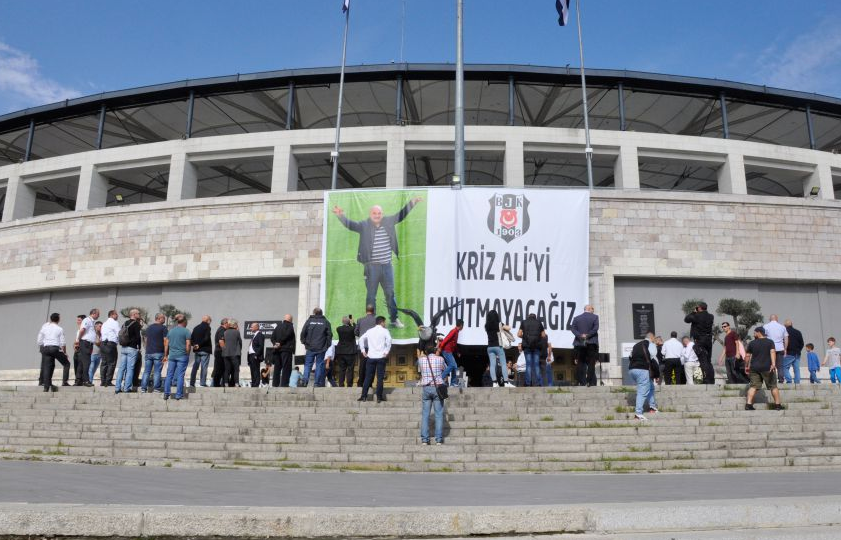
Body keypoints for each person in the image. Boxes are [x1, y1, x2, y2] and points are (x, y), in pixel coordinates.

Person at [331, 197, 423, 329]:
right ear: (370, 214)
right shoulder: (364, 225)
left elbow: (401, 215)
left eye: (379, 213)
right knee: (371, 295)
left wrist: (412, 203)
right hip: (371, 267)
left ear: (382, 214)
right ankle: (370, 320)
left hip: (387, 266)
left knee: (390, 294)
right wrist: (341, 215)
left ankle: (394, 318)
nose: (377, 215)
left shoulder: (388, 222)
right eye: (374, 213)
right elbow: (351, 225)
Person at [745, 327, 783, 410]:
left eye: (755, 332)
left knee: (753, 386)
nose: (754, 334)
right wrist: (773, 364)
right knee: (773, 386)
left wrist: (746, 366)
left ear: (759, 332)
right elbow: (772, 352)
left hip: (754, 368)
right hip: (767, 367)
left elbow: (747, 355)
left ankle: (748, 404)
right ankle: (778, 405)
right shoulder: (770, 342)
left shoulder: (752, 343)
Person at [358, 316, 392, 403]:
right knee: (380, 378)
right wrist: (386, 351)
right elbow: (389, 340)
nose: (385, 324)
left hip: (371, 356)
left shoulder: (370, 331)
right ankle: (379, 397)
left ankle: (364, 396)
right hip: (381, 356)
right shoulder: (385, 331)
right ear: (382, 322)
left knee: (368, 377)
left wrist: (363, 350)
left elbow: (361, 339)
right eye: (384, 322)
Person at [419, 344, 446, 445]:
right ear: (435, 351)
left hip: (426, 388)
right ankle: (438, 439)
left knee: (425, 414)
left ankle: (425, 440)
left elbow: (420, 369)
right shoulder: (440, 359)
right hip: (437, 387)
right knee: (438, 414)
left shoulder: (421, 360)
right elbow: (444, 369)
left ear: (425, 352)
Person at [629, 332, 658, 421]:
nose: (655, 340)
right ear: (652, 337)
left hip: (632, 369)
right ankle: (638, 414)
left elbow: (630, 356)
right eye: (654, 338)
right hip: (642, 369)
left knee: (650, 386)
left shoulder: (636, 345)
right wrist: (657, 374)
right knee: (642, 391)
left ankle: (652, 406)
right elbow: (653, 359)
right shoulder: (650, 344)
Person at [300, 308, 332, 388]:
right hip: (321, 347)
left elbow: (303, 333)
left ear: (314, 313)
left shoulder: (309, 321)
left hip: (310, 347)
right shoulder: (326, 322)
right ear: (321, 313)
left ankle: (305, 382)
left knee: (307, 365)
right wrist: (327, 345)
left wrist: (304, 342)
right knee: (319, 365)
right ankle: (317, 383)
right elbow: (329, 335)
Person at [684, 302, 714, 384]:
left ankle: (706, 380)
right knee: (708, 360)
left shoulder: (696, 316)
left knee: (703, 361)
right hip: (708, 340)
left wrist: (694, 312)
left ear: (699, 308)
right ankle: (711, 379)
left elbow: (686, 319)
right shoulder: (711, 316)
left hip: (700, 340)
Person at [163, 314, 192, 401]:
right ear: (184, 322)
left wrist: (165, 355)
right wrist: (187, 353)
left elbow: (166, 344)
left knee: (169, 375)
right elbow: (188, 344)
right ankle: (178, 395)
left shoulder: (170, 331)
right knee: (180, 375)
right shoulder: (186, 331)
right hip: (182, 355)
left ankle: (166, 393)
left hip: (172, 356)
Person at [570, 305, 599, 387]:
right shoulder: (595, 317)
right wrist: (588, 335)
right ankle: (590, 382)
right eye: (592, 308)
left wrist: (580, 335)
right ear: (589, 309)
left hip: (579, 342)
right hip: (591, 342)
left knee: (580, 362)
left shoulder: (577, 318)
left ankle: (579, 381)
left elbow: (572, 328)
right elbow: (596, 328)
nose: (593, 310)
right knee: (591, 363)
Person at [115, 309, 142, 394]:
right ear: (134, 314)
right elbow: (138, 337)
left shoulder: (125, 323)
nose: (139, 315)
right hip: (132, 348)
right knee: (130, 369)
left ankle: (117, 387)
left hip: (123, 347)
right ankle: (127, 388)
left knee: (121, 368)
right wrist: (139, 347)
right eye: (138, 313)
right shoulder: (136, 324)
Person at [37, 313, 66, 392]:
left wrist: (42, 346)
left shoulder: (45, 327)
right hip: (54, 348)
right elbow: (62, 342)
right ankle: (65, 381)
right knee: (66, 363)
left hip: (45, 348)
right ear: (58, 319)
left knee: (47, 367)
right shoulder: (59, 329)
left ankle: (46, 387)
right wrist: (64, 352)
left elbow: (39, 340)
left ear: (50, 319)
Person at [484, 309, 513, 388]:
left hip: (490, 347)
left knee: (492, 365)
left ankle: (494, 383)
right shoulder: (499, 324)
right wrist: (502, 326)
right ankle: (506, 382)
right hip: (498, 346)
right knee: (503, 364)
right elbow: (509, 328)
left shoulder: (486, 326)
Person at [141, 313, 168, 393]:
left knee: (147, 371)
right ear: (159, 318)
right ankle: (156, 388)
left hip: (148, 352)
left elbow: (145, 340)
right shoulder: (163, 328)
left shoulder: (149, 328)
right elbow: (165, 341)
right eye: (163, 318)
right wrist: (166, 354)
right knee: (157, 371)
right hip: (159, 352)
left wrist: (147, 349)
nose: (164, 320)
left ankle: (143, 388)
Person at [517, 314, 546, 387]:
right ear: (535, 317)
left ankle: (527, 383)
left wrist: (525, 337)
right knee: (536, 365)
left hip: (527, 346)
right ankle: (539, 383)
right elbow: (543, 335)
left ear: (528, 317)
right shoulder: (539, 322)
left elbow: (519, 334)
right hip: (536, 346)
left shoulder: (524, 322)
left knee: (528, 365)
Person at [74, 308, 99, 387]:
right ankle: (86, 380)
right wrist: (78, 339)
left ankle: (79, 380)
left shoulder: (91, 321)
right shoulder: (87, 320)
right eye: (98, 314)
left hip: (88, 343)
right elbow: (82, 330)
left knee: (82, 362)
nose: (98, 316)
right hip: (85, 343)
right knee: (86, 362)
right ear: (94, 313)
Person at [355, 305, 377, 387]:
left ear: (366, 311)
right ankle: (369, 383)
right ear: (373, 311)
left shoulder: (360, 320)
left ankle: (360, 383)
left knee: (362, 365)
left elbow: (356, 332)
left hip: (363, 346)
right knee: (372, 365)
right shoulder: (376, 320)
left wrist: (361, 334)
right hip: (373, 346)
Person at [270, 314, 296, 387]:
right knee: (286, 368)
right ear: (291, 320)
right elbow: (287, 335)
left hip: (277, 350)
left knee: (277, 368)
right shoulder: (290, 326)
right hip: (286, 350)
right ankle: (284, 384)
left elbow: (272, 337)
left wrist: (275, 343)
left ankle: (275, 384)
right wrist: (280, 343)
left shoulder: (278, 326)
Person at [189, 315, 213, 387]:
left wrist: (195, 345)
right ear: (208, 320)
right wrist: (199, 345)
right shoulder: (207, 327)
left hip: (197, 350)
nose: (210, 323)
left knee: (195, 367)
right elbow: (206, 338)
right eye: (210, 321)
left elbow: (191, 339)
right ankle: (202, 383)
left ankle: (192, 383)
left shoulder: (196, 327)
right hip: (205, 350)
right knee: (204, 367)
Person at [764, 315, 788, 384]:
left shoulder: (765, 326)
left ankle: (770, 380)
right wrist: (785, 348)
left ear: (770, 319)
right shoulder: (782, 327)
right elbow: (786, 338)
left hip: (769, 348)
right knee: (780, 366)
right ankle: (781, 380)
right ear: (777, 319)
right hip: (780, 348)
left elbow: (763, 337)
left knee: (769, 364)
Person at [99, 310, 120, 387]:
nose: (117, 316)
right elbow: (119, 333)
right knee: (112, 363)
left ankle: (103, 381)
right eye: (116, 314)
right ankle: (108, 381)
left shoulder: (104, 323)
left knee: (104, 363)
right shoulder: (114, 323)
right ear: (112, 315)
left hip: (103, 343)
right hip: (111, 344)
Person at [335, 316, 357, 387]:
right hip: (350, 352)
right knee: (350, 369)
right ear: (349, 322)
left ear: (342, 322)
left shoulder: (338, 329)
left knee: (342, 369)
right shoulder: (352, 328)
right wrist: (353, 322)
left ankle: (341, 384)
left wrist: (349, 323)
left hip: (341, 352)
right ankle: (349, 384)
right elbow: (356, 329)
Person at [439, 320, 463, 387]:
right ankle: (440, 379)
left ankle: (453, 383)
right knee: (452, 365)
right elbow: (446, 339)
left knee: (454, 366)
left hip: (449, 351)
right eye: (462, 326)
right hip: (446, 350)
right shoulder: (454, 331)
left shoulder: (456, 332)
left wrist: (457, 352)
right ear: (461, 326)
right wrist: (441, 347)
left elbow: (454, 344)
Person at [783, 319, 804, 384]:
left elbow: (784, 342)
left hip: (789, 353)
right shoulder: (798, 332)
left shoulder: (785, 332)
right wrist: (798, 350)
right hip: (797, 353)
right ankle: (797, 382)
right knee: (796, 369)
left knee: (784, 367)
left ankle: (789, 380)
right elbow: (802, 343)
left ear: (785, 325)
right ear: (792, 324)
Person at [223, 319, 243, 387]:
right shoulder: (236, 332)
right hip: (234, 353)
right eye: (236, 324)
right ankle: (236, 383)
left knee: (227, 369)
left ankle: (226, 383)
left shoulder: (225, 332)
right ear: (234, 325)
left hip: (226, 354)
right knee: (236, 369)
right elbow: (240, 342)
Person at [211, 318, 229, 387]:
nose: (229, 325)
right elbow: (221, 342)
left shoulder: (222, 329)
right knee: (218, 369)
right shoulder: (222, 330)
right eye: (228, 323)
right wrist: (225, 351)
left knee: (221, 368)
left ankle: (218, 384)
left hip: (219, 352)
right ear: (225, 323)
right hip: (220, 352)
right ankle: (216, 384)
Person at [247, 322, 265, 388]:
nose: (250, 328)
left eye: (252, 327)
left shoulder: (260, 335)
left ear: (257, 327)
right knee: (252, 370)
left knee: (256, 370)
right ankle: (253, 383)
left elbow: (261, 346)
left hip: (255, 355)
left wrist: (256, 355)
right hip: (251, 355)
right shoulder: (254, 335)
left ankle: (256, 384)